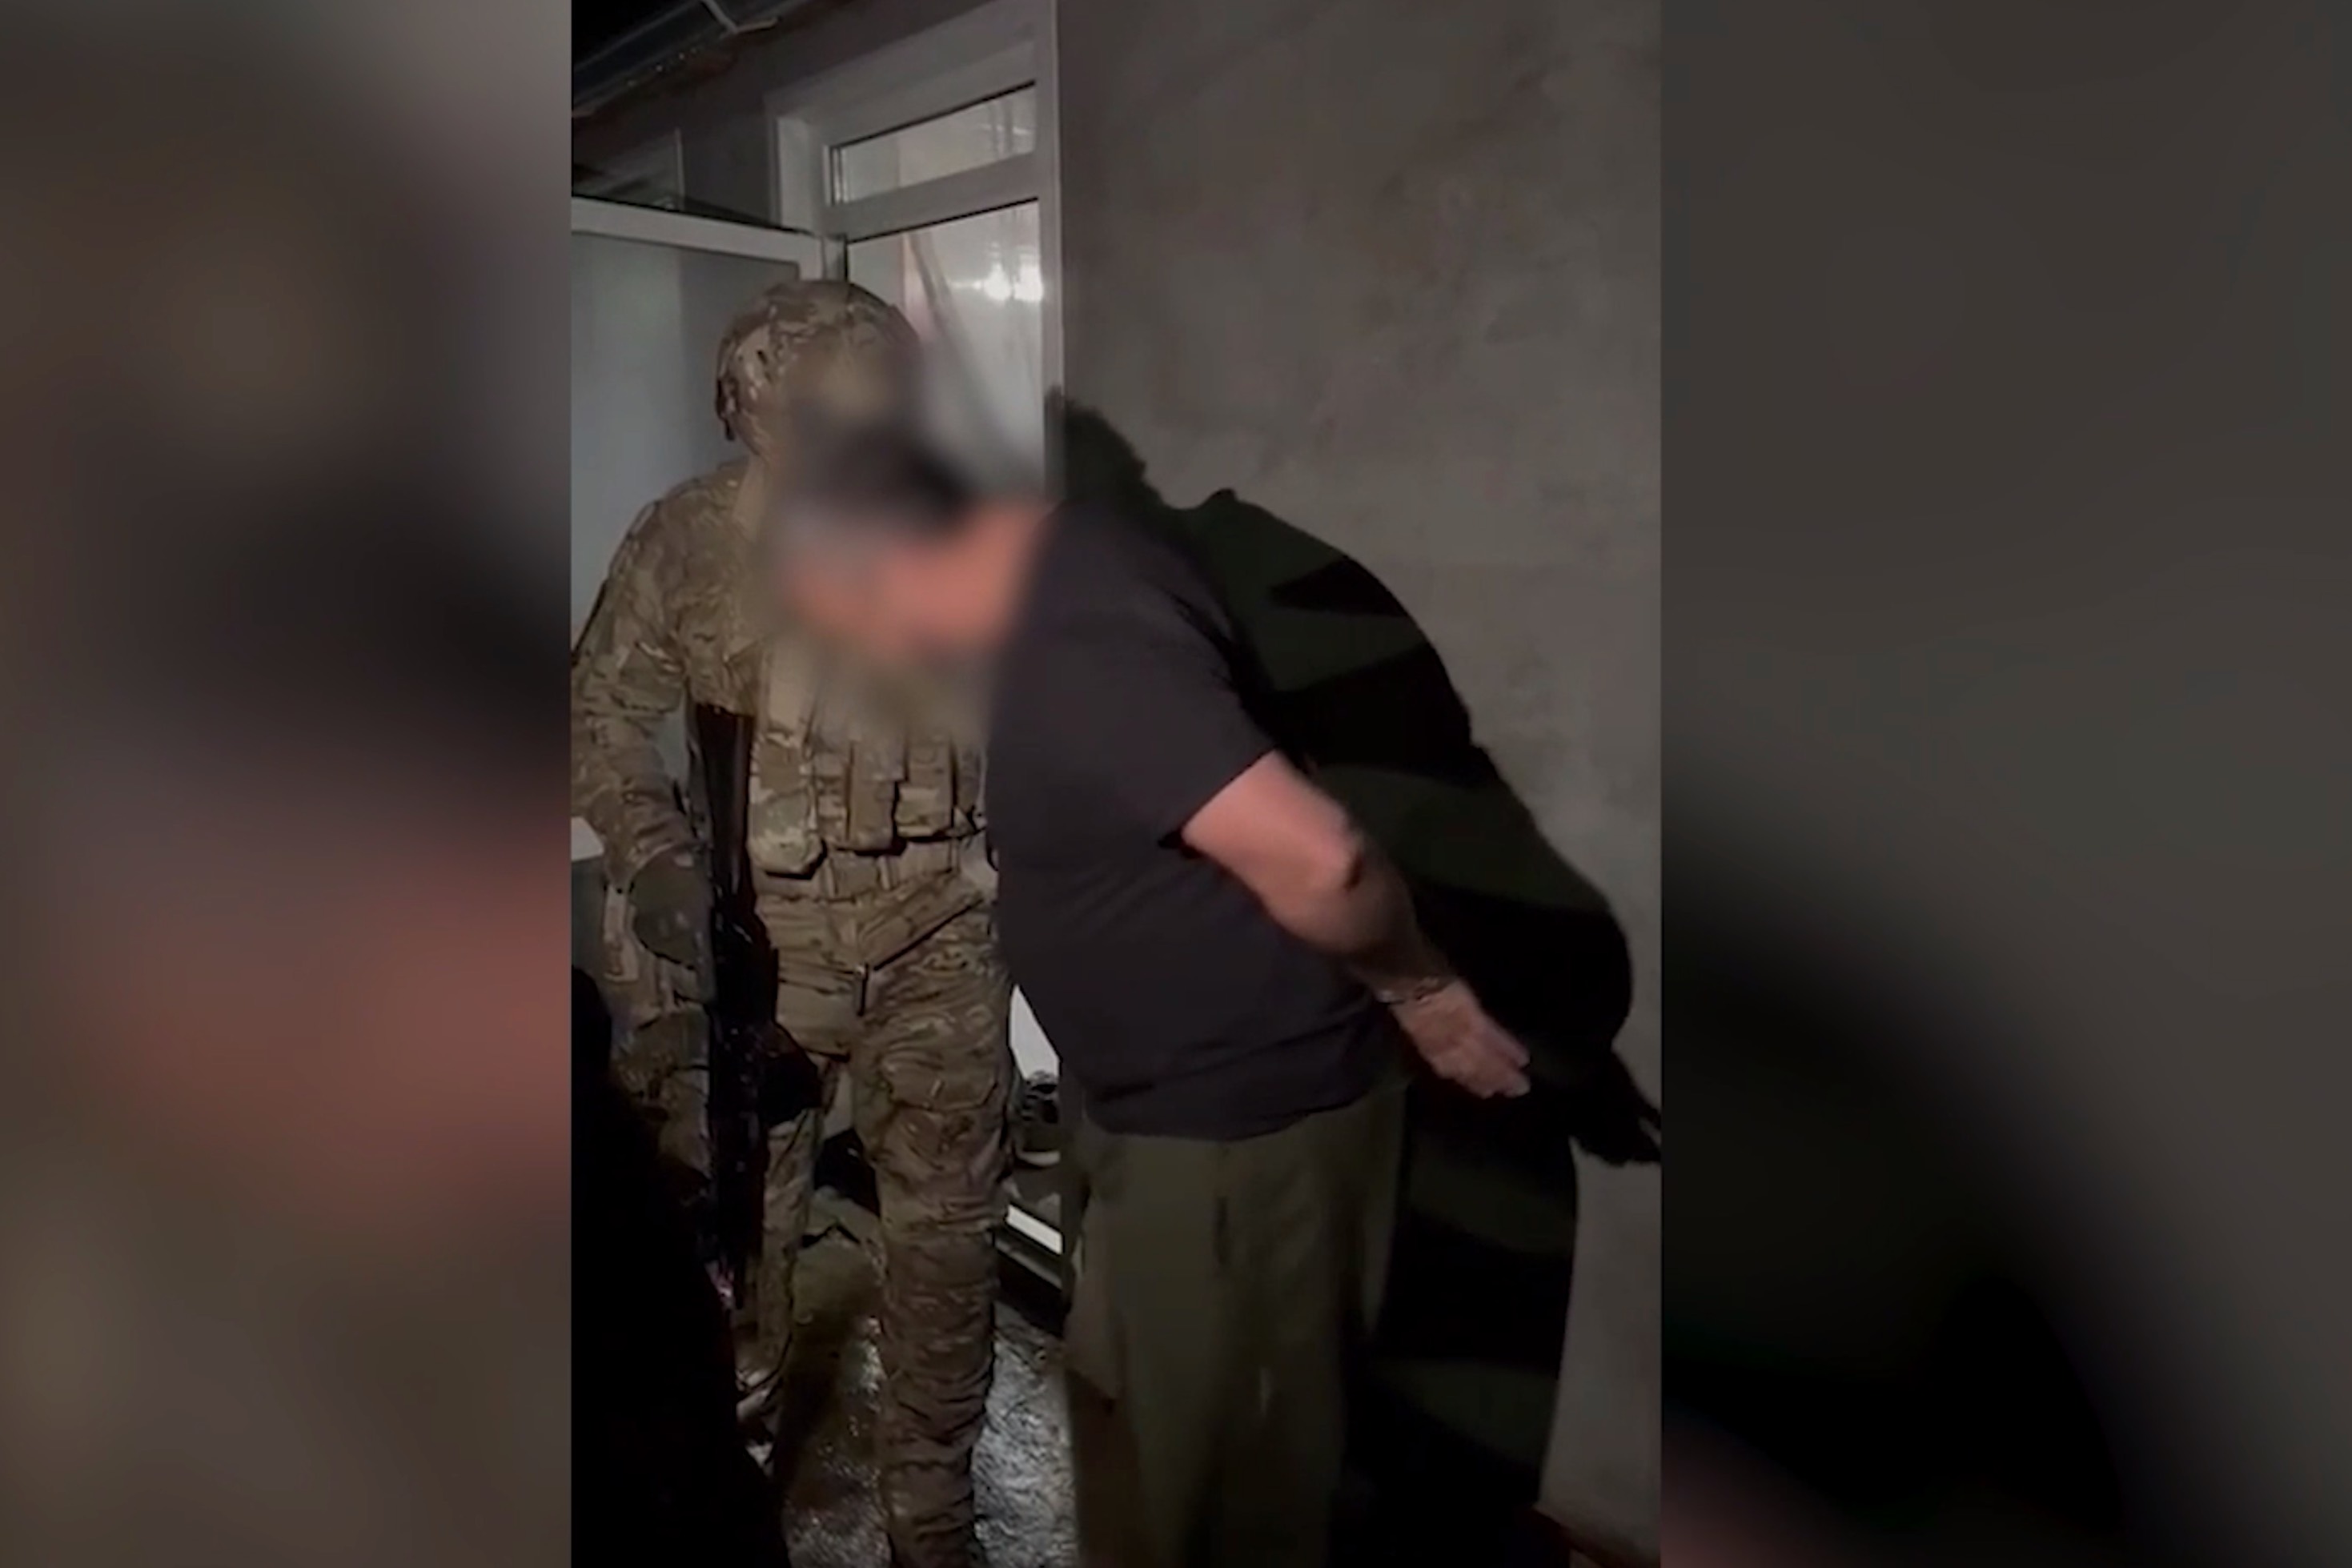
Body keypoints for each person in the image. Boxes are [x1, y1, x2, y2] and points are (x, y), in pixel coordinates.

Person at [764, 422, 1533, 1568]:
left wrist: (1422, 993)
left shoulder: (1077, 630)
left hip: (1238, 1131)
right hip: (1163, 1111)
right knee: (1160, 1444)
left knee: (1239, 1490)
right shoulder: (1064, 587)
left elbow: (1323, 861)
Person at [570, 282, 1011, 1568]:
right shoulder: (688, 541)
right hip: (760, 951)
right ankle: (727, 1488)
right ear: (746, 415)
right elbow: (596, 716)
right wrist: (654, 859)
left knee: (949, 1247)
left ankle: (934, 1518)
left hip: (942, 940)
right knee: (735, 1246)